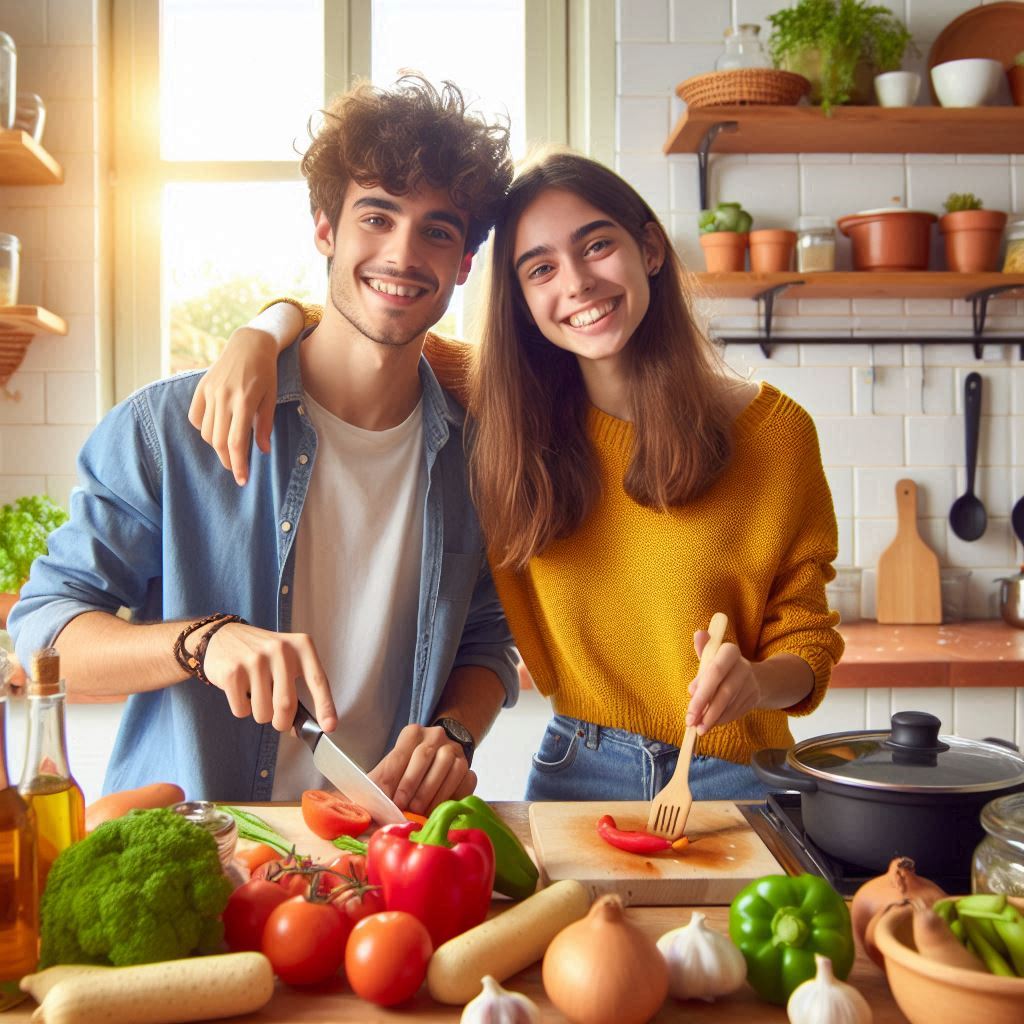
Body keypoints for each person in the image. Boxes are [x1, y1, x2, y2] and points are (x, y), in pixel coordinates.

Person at [189, 149, 844, 802]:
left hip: (740, 775)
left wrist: (755, 681)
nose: (578, 284)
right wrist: (259, 332)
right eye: (541, 268)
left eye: (595, 246)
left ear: (648, 248)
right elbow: (365, 314)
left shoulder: (774, 435)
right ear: (523, 300)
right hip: (579, 771)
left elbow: (808, 640)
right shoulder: (502, 406)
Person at [9, 76, 519, 812]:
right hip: (194, 849)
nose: (403, 254)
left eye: (437, 231)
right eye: (376, 216)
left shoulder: (477, 457)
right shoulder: (170, 429)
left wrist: (456, 733)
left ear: (463, 265)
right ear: (325, 230)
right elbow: (41, 633)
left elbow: (485, 641)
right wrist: (201, 643)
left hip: (379, 851)